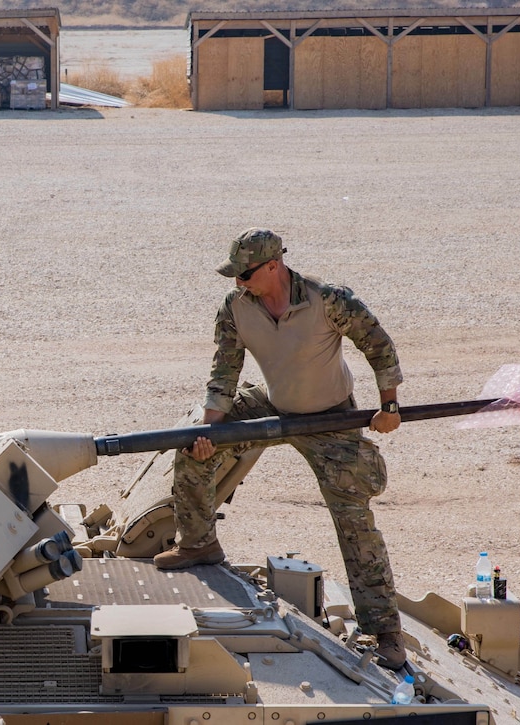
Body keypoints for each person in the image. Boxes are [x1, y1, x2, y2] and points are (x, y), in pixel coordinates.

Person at [152, 227, 407, 669]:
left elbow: (379, 347)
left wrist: (389, 405)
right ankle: (198, 543)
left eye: (246, 274)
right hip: (273, 405)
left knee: (354, 521)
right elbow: (223, 375)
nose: (238, 282)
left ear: (274, 266)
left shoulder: (329, 301)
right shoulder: (235, 308)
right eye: (234, 275)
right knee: (191, 443)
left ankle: (385, 632)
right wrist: (210, 431)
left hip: (330, 418)